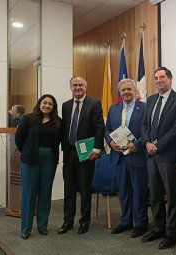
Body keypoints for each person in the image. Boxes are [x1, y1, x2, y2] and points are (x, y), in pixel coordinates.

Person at [141, 67, 176, 249]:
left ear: (170, 79)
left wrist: (157, 145)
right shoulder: (151, 99)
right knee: (155, 195)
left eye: (162, 77)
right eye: (156, 78)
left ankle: (172, 233)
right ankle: (159, 227)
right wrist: (146, 142)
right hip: (151, 155)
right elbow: (144, 124)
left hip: (168, 155)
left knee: (172, 195)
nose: (159, 80)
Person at [58, 76, 105, 235]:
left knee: (85, 189)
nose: (77, 88)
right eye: (74, 85)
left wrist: (98, 148)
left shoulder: (94, 103)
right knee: (68, 190)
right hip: (69, 152)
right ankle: (67, 221)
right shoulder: (65, 105)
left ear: (86, 86)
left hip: (86, 153)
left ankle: (84, 221)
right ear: (70, 87)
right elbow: (64, 128)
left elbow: (100, 127)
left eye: (80, 85)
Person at [105, 79, 148, 238]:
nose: (126, 92)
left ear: (135, 91)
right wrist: (110, 142)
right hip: (119, 157)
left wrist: (136, 144)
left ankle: (141, 222)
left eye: (129, 89)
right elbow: (107, 129)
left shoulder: (144, 107)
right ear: (120, 92)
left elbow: (147, 130)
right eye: (123, 90)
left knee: (139, 191)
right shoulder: (114, 108)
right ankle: (126, 221)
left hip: (137, 155)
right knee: (124, 191)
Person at [15, 94, 61, 239]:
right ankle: (26, 228)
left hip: (50, 159)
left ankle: (42, 226)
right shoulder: (28, 119)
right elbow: (19, 139)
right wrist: (28, 151)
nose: (47, 106)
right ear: (39, 103)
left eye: (50, 104)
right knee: (29, 193)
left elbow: (59, 140)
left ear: (53, 107)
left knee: (45, 192)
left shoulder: (58, 122)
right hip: (30, 160)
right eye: (44, 103)